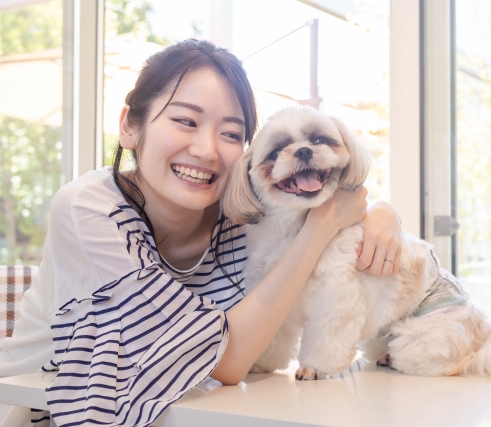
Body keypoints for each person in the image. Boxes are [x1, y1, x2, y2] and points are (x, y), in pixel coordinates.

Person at [0, 39, 403, 427]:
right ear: (129, 127)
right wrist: (321, 226)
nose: (207, 150)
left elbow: (338, 203)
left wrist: (382, 213)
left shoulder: (242, 214)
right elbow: (224, 361)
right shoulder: (88, 210)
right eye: (185, 121)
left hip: (193, 409)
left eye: (231, 134)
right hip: (46, 410)